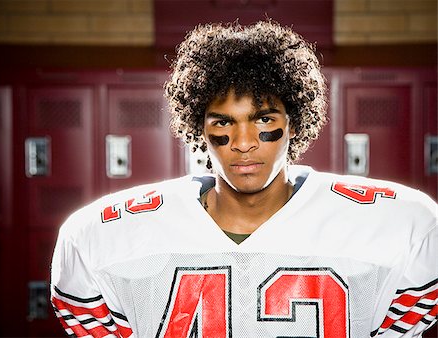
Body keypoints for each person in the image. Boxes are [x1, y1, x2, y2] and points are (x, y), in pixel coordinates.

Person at [50, 20, 437, 337]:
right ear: (198, 129)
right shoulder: (100, 235)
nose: (244, 143)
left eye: (264, 119)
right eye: (223, 122)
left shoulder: (406, 225)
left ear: (294, 123)